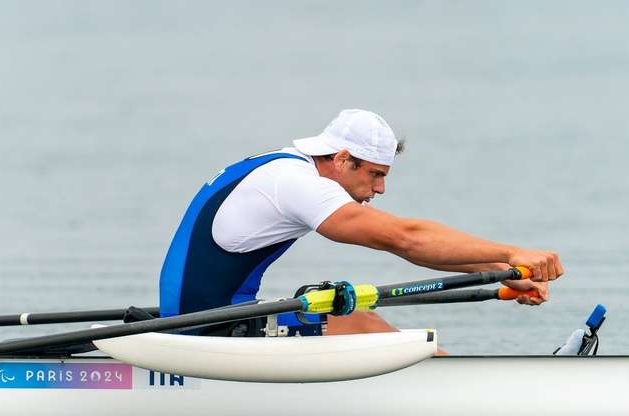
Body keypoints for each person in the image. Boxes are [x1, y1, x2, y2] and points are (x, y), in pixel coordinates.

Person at [159, 109, 563, 336]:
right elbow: (405, 239)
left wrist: (500, 272)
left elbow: (408, 245)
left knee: (354, 316)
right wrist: (510, 253)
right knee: (361, 325)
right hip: (203, 328)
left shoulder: (285, 168)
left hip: (202, 314)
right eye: (374, 174)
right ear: (340, 159)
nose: (381, 188)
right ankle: (464, 396)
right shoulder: (295, 183)